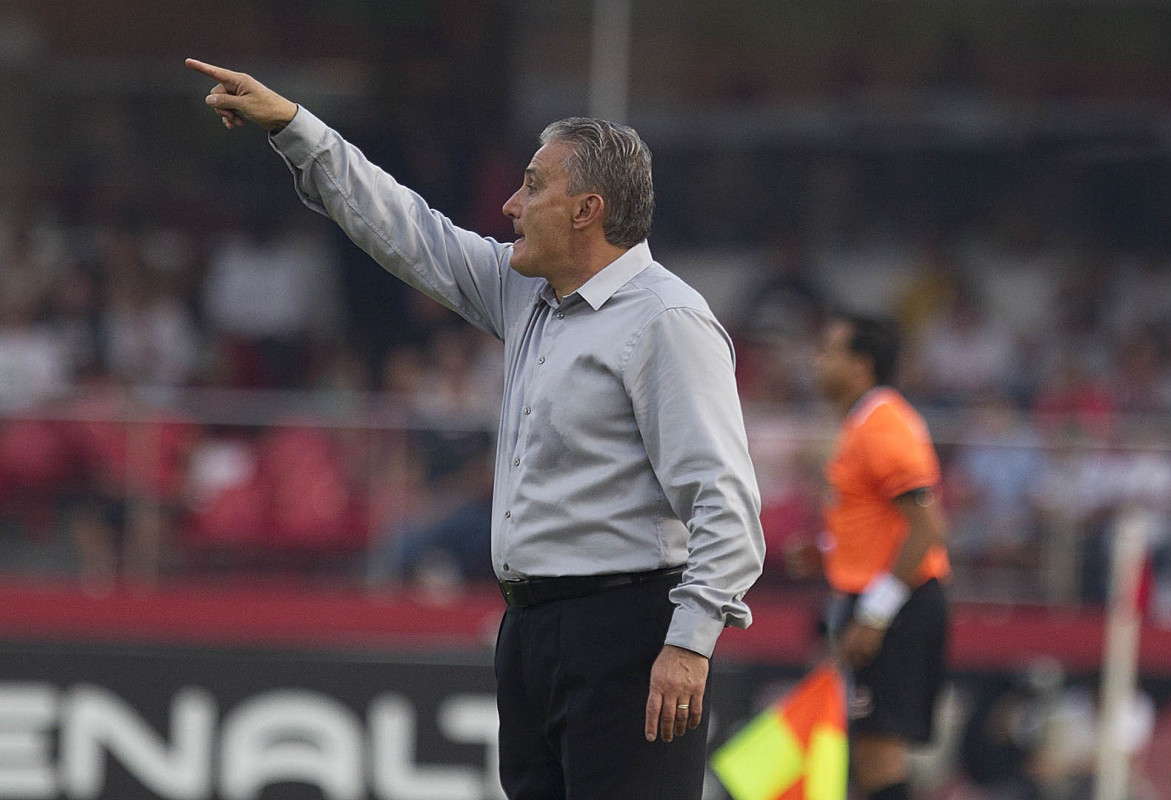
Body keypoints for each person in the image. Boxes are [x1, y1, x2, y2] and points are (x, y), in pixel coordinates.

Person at [185, 59, 765, 799]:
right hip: (530, 633)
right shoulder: (527, 293)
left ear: (587, 209)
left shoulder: (666, 321)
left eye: (532, 185)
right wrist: (297, 129)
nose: (509, 204)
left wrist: (690, 642)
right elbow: (405, 228)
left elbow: (724, 500)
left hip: (629, 632)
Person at [812, 312, 951, 800]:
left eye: (829, 351)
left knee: (878, 758)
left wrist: (874, 615)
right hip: (879, 599)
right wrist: (823, 552)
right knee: (869, 757)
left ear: (860, 365)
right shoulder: (863, 423)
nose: (818, 362)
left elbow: (928, 528)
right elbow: (882, 524)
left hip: (896, 606)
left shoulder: (883, 427)